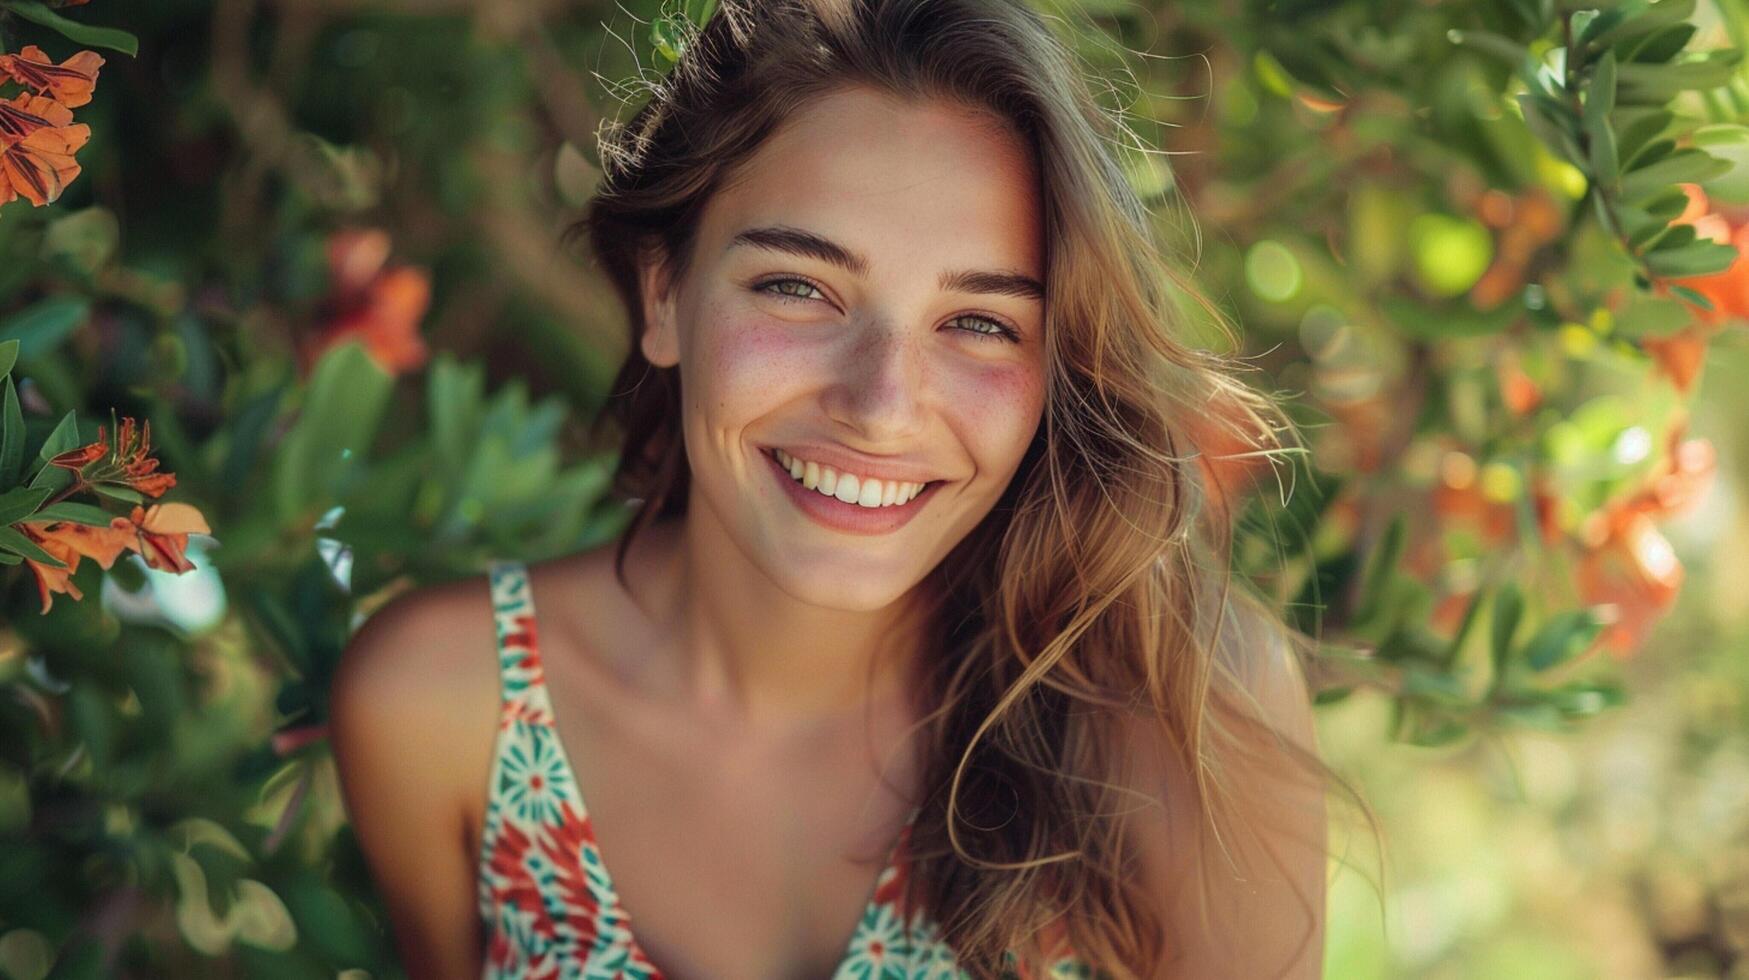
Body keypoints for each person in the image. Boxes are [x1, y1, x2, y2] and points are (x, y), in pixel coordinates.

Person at [330, 0, 1359, 976]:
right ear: (663, 292)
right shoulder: (442, 704)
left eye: (981, 322)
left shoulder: (1182, 718)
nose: (881, 405)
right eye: (800, 287)